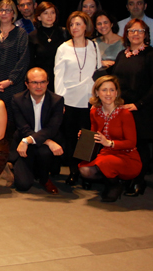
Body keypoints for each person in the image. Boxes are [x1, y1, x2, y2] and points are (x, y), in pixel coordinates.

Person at [97, 19, 153, 197]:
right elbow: (114, 79)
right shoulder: (122, 55)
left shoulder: (152, 55)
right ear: (126, 34)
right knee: (123, 146)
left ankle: (139, 181)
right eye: (131, 31)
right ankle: (125, 178)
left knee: (139, 147)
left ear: (146, 34)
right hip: (123, 109)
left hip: (142, 109)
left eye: (140, 31)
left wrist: (139, 104)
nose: (135, 34)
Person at [54, 11, 101, 187]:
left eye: (79, 24)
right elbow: (58, 76)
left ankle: (85, 173)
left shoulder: (94, 47)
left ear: (86, 26)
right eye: (72, 24)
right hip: (69, 100)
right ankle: (73, 172)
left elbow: (99, 72)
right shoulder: (63, 48)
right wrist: (60, 101)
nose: (75, 27)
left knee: (87, 138)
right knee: (71, 138)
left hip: (89, 100)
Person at [78, 75, 141, 202]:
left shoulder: (125, 113)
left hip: (127, 156)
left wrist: (109, 143)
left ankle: (116, 184)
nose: (108, 94)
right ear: (97, 92)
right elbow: (95, 133)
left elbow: (131, 142)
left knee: (103, 164)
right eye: (104, 90)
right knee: (84, 171)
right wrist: (86, 136)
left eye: (112, 90)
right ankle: (115, 183)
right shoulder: (94, 111)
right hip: (106, 153)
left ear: (117, 93)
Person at [10, 68, 63, 194]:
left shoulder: (57, 100)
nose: (39, 86)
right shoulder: (17, 99)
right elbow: (23, 128)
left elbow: (52, 128)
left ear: (48, 83)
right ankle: (27, 169)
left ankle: (44, 178)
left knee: (45, 151)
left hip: (34, 142)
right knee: (23, 185)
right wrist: (47, 141)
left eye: (42, 82)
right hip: (24, 145)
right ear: (27, 84)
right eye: (34, 82)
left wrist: (28, 140)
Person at [27, 2, 67, 90]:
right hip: (41, 80)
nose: (50, 16)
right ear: (39, 17)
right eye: (46, 13)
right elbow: (31, 62)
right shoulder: (32, 36)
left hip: (63, 77)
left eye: (52, 12)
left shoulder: (64, 33)